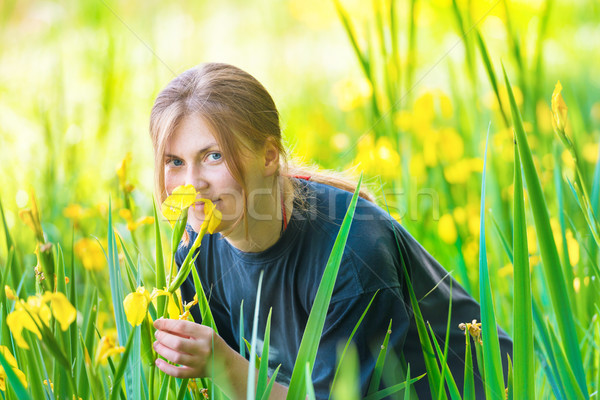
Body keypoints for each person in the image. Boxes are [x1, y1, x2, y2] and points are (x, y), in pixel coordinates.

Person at [149, 62, 512, 399]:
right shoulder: (197, 252)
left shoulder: (352, 257)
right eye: (175, 162)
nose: (192, 183)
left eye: (214, 156)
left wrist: (222, 363)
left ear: (269, 156)